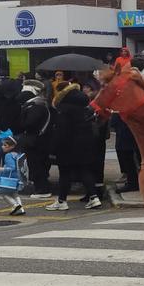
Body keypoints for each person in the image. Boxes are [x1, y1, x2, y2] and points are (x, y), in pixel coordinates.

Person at [46, 75, 102, 211]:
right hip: (85, 146)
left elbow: (60, 131)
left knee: (65, 173)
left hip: (67, 146)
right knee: (85, 170)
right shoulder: (86, 109)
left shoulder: (64, 110)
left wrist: (53, 148)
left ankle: (62, 201)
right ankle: (94, 197)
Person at [16, 79, 54, 198]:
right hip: (36, 141)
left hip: (37, 141)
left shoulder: (36, 106)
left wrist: (21, 121)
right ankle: (40, 188)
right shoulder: (35, 105)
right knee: (36, 165)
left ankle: (42, 190)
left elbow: (29, 123)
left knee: (38, 165)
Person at [0, 78, 23, 187]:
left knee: (10, 161)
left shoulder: (18, 100)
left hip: (14, 133)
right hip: (5, 133)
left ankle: (10, 181)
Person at [0, 128, 25, 216]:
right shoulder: (18, 154)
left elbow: (11, 167)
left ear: (12, 146)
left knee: (3, 193)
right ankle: (21, 207)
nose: (2, 146)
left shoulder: (8, 155)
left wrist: (0, 169)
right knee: (14, 193)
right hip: (17, 177)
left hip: (9, 178)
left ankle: (15, 205)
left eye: (5, 145)